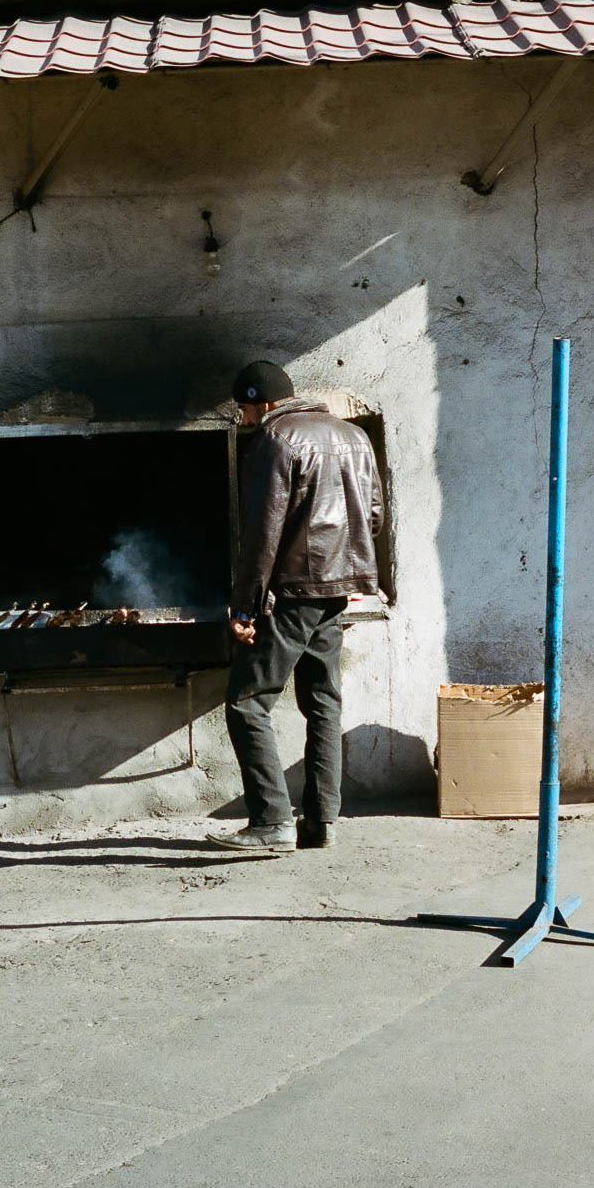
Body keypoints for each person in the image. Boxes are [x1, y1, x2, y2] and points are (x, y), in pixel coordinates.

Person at [208, 360, 384, 855]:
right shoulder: (353, 437)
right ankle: (321, 821)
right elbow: (372, 515)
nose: (241, 418)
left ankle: (271, 822)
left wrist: (244, 607)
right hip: (338, 589)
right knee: (323, 703)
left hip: (292, 592)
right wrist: (350, 577)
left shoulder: (275, 439)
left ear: (261, 402)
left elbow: (262, 532)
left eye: (242, 407)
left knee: (247, 702)